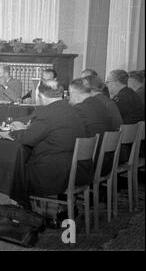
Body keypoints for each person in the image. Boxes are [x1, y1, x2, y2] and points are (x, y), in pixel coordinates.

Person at [8, 80, 88, 209]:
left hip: (54, 175)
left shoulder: (48, 113)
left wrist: (13, 132)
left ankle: (22, 216)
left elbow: (27, 139)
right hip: (77, 170)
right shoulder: (71, 109)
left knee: (14, 173)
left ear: (41, 96)